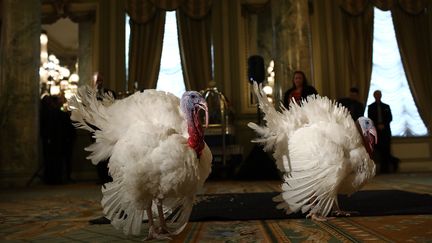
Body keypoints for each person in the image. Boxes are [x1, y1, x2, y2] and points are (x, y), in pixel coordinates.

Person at [368, 90, 398, 173]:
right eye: (376, 95)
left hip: (385, 131)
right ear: (374, 96)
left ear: (381, 96)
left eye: (379, 95)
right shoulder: (371, 107)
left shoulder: (386, 106)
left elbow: (390, 118)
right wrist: (377, 125)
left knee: (386, 150)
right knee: (379, 150)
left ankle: (386, 169)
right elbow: (370, 118)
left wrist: (383, 124)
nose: (377, 96)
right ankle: (385, 167)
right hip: (376, 132)